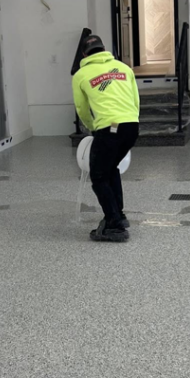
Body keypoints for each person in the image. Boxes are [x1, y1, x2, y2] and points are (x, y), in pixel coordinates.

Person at [72, 35, 140, 243]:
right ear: (104, 49)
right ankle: (119, 215)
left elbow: (82, 109)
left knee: (99, 176)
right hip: (131, 126)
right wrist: (131, 121)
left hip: (109, 128)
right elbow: (135, 99)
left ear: (84, 54)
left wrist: (93, 128)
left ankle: (114, 225)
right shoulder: (124, 68)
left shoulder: (81, 75)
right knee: (111, 170)